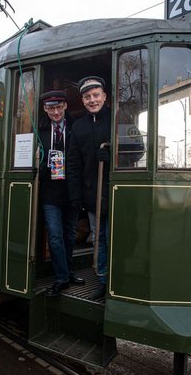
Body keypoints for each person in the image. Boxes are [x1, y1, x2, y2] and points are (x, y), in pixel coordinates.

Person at [67, 76, 111, 300]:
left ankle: (118, 278)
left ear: (104, 96)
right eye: (87, 97)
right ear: (83, 101)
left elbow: (138, 150)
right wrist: (75, 196)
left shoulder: (118, 118)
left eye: (96, 95)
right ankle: (104, 280)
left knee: (115, 236)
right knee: (99, 238)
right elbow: (73, 163)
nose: (92, 100)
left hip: (116, 192)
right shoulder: (78, 126)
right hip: (92, 193)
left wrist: (113, 155)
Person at [38, 90, 85, 297]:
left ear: (65, 106)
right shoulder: (38, 129)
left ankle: (69, 272)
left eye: (58, 107)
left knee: (69, 235)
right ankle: (62, 277)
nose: (55, 112)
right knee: (55, 236)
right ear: (44, 109)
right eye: (50, 108)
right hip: (50, 191)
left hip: (71, 190)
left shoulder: (77, 127)